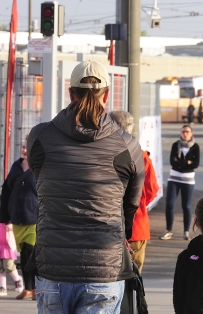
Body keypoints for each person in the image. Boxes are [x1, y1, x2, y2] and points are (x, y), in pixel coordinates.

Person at [27, 60, 145, 311]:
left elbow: (41, 182)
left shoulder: (40, 137)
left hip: (53, 266)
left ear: (70, 93)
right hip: (104, 267)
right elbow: (130, 205)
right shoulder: (128, 145)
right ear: (107, 95)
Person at [110, 110, 159, 273]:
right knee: (134, 276)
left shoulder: (102, 155)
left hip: (106, 225)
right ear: (130, 130)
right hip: (136, 225)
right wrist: (141, 202)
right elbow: (152, 189)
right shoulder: (142, 157)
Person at [0, 139, 36, 300]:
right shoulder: (16, 166)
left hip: (34, 218)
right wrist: (4, 217)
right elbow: (6, 191)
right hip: (17, 218)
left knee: (31, 252)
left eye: (28, 147)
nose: (25, 150)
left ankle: (34, 288)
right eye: (23, 147)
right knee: (24, 254)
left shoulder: (39, 167)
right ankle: (28, 288)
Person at [161, 125, 200, 241]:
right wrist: (187, 162)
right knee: (169, 204)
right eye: (183, 131)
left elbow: (195, 164)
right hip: (174, 178)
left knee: (186, 206)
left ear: (191, 133)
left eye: (187, 132)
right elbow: (172, 162)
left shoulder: (195, 147)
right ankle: (168, 230)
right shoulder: (175, 145)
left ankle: (186, 231)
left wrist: (181, 162)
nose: (185, 134)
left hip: (188, 180)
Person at [0, 221, 21, 297]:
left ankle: (18, 280)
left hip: (7, 245)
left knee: (8, 266)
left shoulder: (7, 212)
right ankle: (2, 287)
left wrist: (11, 226)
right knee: (0, 268)